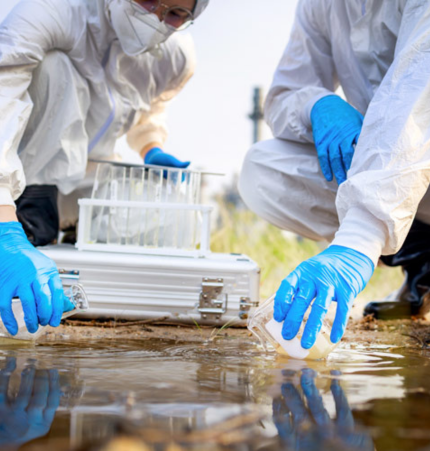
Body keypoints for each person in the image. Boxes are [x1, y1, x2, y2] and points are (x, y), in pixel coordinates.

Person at [0, 0, 210, 336]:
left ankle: (68, 231)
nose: (156, 20)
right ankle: (28, 223)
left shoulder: (177, 54)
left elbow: (152, 104)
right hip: (21, 179)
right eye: (149, 0)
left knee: (173, 221)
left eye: (175, 14)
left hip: (89, 180)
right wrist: (2, 223)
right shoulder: (54, 11)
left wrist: (150, 145)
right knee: (55, 68)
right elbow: (3, 95)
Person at [239, 0, 430, 349]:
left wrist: (358, 240)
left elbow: (417, 99)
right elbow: (285, 94)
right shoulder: (320, 5)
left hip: (422, 151)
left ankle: (372, 241)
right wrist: (316, 104)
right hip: (386, 175)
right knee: (264, 168)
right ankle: (422, 265)